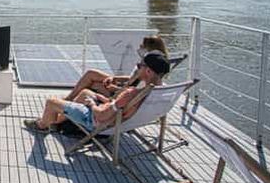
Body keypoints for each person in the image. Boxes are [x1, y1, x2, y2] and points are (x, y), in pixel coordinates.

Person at [23, 51, 171, 133]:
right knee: (86, 92)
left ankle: (42, 125)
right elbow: (120, 108)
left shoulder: (131, 93)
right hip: (118, 119)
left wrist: (93, 104)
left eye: (139, 66)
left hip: (99, 121)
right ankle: (55, 121)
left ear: (149, 71)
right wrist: (104, 99)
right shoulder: (161, 90)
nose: (137, 68)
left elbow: (101, 115)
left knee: (51, 102)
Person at [63, 35, 168, 101]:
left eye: (142, 46)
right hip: (126, 86)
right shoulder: (158, 64)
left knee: (93, 83)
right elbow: (134, 79)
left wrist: (115, 88)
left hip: (123, 92)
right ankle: (70, 99)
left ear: (149, 49)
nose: (139, 48)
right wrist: (115, 78)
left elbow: (134, 91)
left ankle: (70, 101)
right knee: (91, 73)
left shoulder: (149, 69)